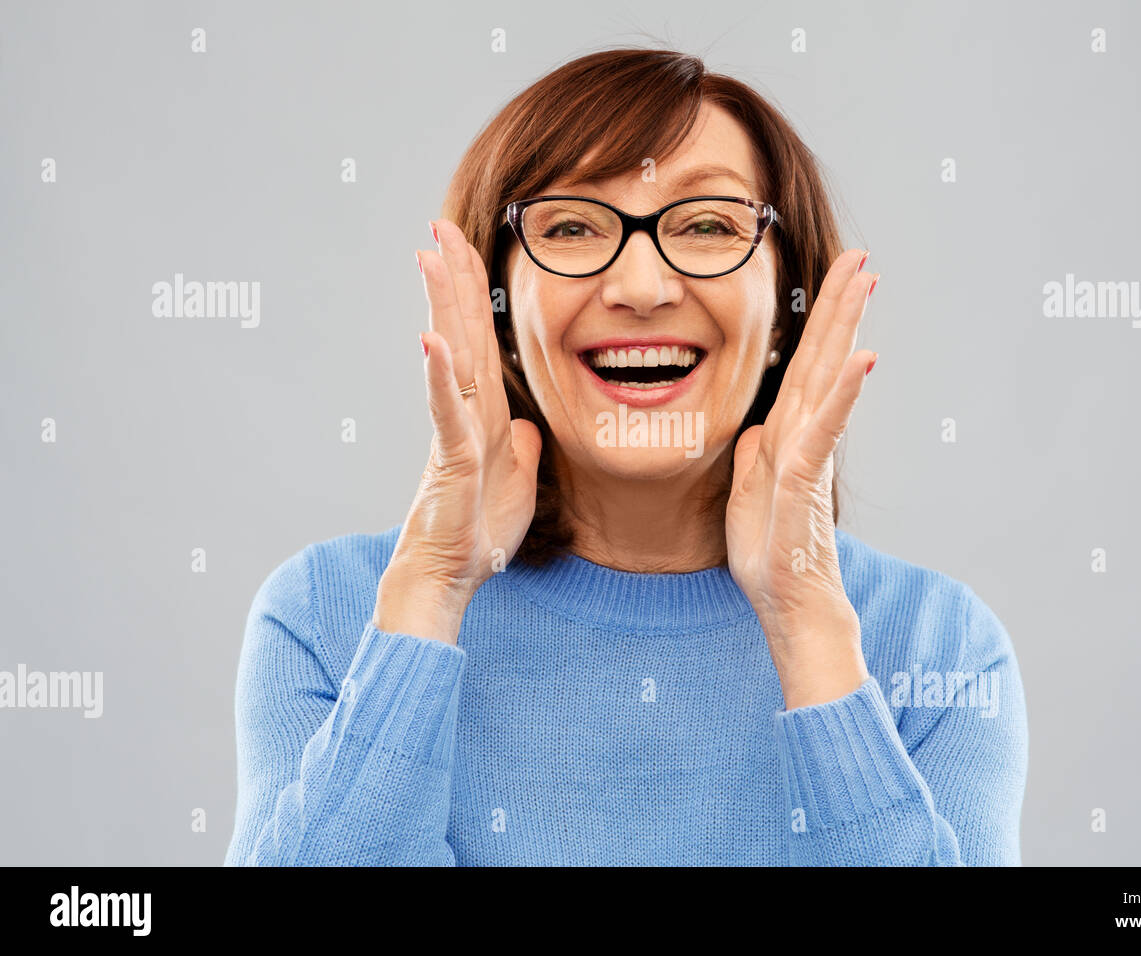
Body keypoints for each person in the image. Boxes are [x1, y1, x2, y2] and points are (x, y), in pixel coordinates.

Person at [224, 47, 1028, 866]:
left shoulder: (943, 650)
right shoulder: (327, 615)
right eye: (571, 227)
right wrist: (430, 589)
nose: (641, 287)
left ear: (787, 308)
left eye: (709, 224)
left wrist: (805, 622)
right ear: (499, 313)